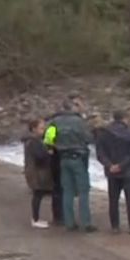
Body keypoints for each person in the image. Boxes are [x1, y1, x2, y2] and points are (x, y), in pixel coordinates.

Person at [44, 96, 96, 232]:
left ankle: (69, 223)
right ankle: (86, 223)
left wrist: (56, 146)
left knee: (67, 191)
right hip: (78, 158)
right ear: (72, 108)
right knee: (83, 191)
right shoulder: (79, 121)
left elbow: (48, 140)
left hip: (63, 158)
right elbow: (89, 138)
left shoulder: (54, 122)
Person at [95, 110, 130, 233]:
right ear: (125, 118)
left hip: (111, 172)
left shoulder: (103, 133)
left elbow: (100, 154)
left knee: (113, 200)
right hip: (128, 171)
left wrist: (110, 165)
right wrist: (121, 165)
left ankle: (115, 226)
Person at [22, 118, 61, 228]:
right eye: (41, 128)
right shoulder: (33, 142)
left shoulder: (32, 141)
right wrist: (49, 153)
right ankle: (35, 219)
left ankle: (36, 218)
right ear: (34, 129)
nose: (44, 131)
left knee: (38, 195)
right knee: (37, 195)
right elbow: (39, 157)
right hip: (36, 172)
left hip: (34, 171)